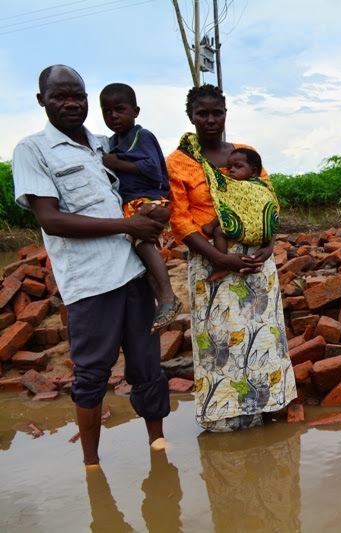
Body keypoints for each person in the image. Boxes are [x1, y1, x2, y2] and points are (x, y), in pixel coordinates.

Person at [12, 65, 170, 465]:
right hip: (90, 284)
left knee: (148, 365)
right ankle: (91, 464)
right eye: (60, 96)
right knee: (92, 376)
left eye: (78, 96)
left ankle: (158, 447)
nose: (71, 103)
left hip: (132, 275)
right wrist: (128, 223)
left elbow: (138, 188)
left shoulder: (104, 144)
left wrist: (151, 211)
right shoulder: (32, 150)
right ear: (41, 101)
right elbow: (51, 219)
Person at [167, 84, 296, 432]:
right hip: (211, 257)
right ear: (190, 116)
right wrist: (220, 260)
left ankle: (266, 406)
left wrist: (268, 247)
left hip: (256, 259)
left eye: (217, 112)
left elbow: (267, 199)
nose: (210, 120)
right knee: (219, 339)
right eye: (202, 114)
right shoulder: (179, 163)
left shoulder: (246, 153)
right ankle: (224, 416)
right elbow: (180, 219)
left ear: (226, 113)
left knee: (262, 336)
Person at [99, 82, 182, 332]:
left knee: (143, 244)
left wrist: (116, 163)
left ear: (135, 111)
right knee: (140, 255)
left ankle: (168, 296)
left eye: (120, 109)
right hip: (131, 205)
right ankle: (164, 303)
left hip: (149, 199)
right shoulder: (113, 141)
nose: (113, 116)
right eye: (107, 111)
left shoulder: (141, 136)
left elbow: (152, 168)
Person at [201, 147, 263, 282]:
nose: (231, 170)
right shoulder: (262, 186)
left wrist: (210, 225)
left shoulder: (241, 187)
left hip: (249, 227)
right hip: (261, 234)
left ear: (253, 172)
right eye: (229, 168)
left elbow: (228, 208)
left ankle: (222, 266)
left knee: (219, 231)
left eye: (238, 166)